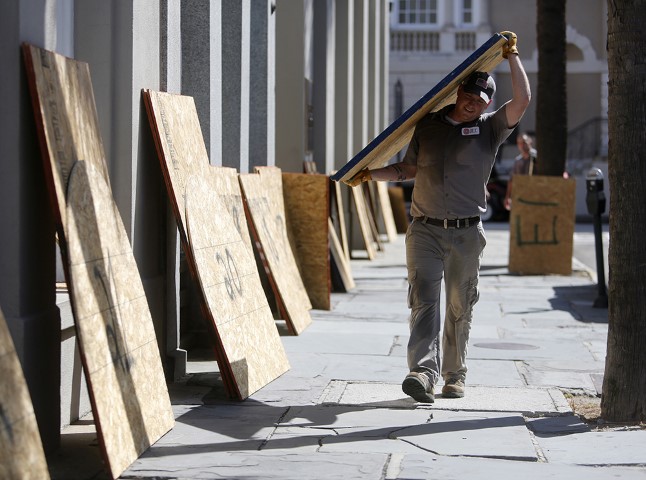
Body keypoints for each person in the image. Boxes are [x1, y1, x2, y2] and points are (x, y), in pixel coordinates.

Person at [347, 32, 530, 403]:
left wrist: (512, 57)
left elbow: (523, 100)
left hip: (466, 233)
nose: (471, 106)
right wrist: (370, 174)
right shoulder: (427, 125)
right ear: (458, 94)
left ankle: (454, 375)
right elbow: (405, 168)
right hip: (425, 229)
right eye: (468, 99)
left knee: (461, 304)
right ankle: (422, 373)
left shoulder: (491, 127)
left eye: (479, 102)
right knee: (423, 302)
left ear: (486, 103)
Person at [504, 132, 537, 210]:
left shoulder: (536, 157)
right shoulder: (518, 161)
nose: (522, 145)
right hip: (521, 195)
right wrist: (508, 197)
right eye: (519, 143)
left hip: (535, 194)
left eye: (524, 142)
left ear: (530, 142)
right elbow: (511, 179)